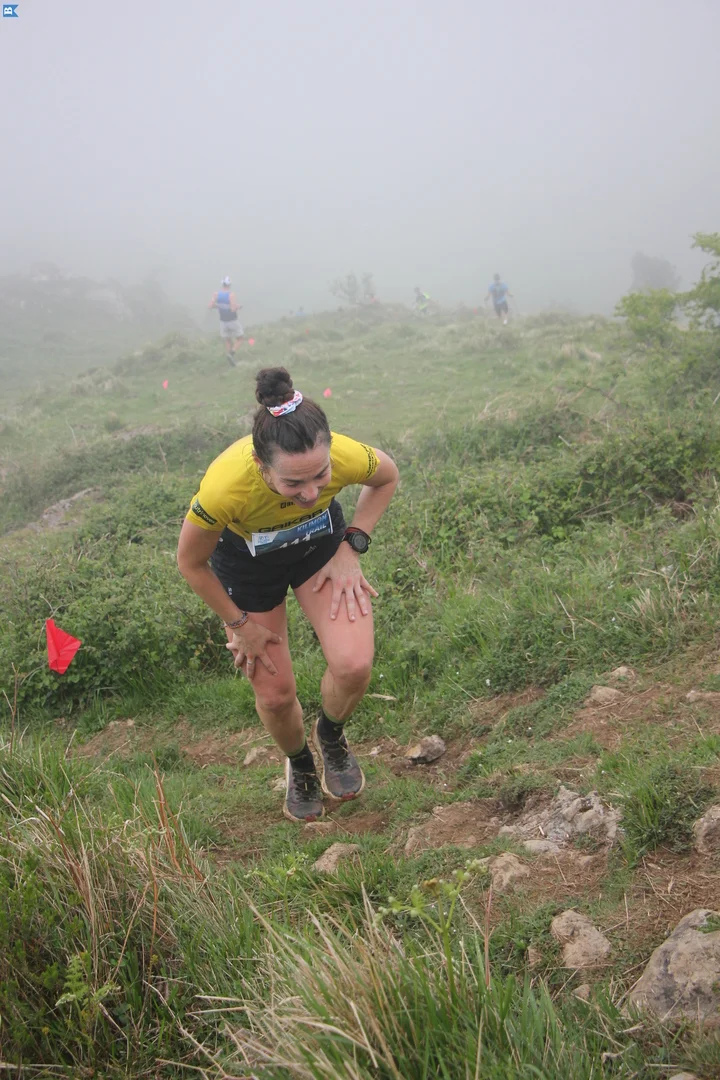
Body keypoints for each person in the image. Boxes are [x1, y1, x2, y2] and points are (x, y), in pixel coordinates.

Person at [177, 367, 399, 823]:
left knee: (354, 667)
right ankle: (299, 763)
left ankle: (329, 735)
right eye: (293, 484)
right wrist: (239, 625)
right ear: (262, 467)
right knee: (276, 695)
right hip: (248, 566)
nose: (312, 492)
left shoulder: (343, 453)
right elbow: (190, 563)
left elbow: (387, 477)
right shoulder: (225, 488)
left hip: (320, 549)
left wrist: (350, 548)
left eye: (320, 475)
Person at [209, 277, 244, 365]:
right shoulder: (231, 295)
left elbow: (210, 306)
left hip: (223, 321)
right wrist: (238, 307)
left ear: (222, 284)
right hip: (232, 320)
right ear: (229, 285)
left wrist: (220, 306)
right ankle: (231, 354)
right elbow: (232, 309)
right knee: (240, 338)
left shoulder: (216, 294)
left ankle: (230, 360)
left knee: (227, 340)